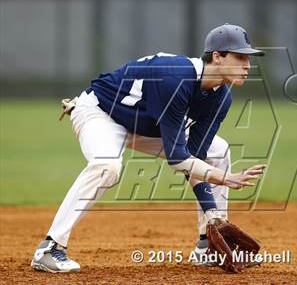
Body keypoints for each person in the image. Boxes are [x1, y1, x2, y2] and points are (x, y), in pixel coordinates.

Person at [31, 23, 266, 273]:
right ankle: (50, 248)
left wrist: (213, 215)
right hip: (102, 113)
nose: (248, 65)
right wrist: (225, 178)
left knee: (218, 152)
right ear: (217, 57)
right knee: (106, 167)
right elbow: (178, 159)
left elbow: (194, 159)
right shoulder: (177, 77)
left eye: (249, 58)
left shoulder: (221, 99)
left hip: (147, 126)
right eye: (240, 57)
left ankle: (207, 246)